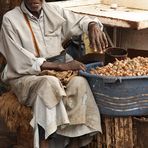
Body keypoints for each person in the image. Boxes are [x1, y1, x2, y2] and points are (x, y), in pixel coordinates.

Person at [0, 0, 108, 147]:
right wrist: (60, 66)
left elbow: (81, 21)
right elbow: (20, 60)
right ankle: (46, 141)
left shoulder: (54, 11)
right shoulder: (11, 19)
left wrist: (92, 25)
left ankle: (74, 142)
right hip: (26, 76)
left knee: (79, 83)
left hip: (57, 71)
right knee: (48, 84)